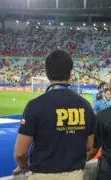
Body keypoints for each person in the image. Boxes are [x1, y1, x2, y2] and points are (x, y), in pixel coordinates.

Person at [13, 50, 96, 179]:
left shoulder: (35, 105)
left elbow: (20, 153)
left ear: (47, 73)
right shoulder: (85, 105)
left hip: (43, 175)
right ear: (70, 72)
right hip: (75, 175)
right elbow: (90, 148)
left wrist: (24, 166)